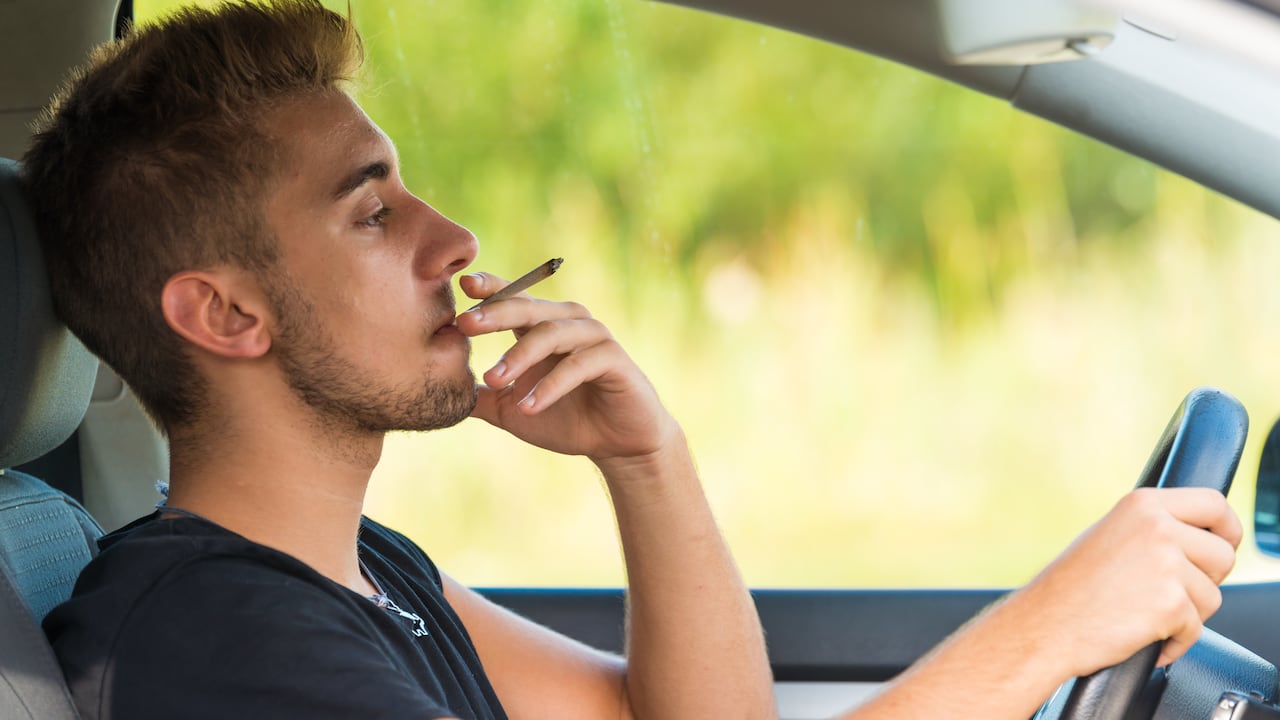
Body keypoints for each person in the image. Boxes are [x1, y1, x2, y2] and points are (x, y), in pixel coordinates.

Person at [20, 1, 1239, 719]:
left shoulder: (359, 574)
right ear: (227, 317)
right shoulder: (222, 642)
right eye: (373, 212)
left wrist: (645, 461)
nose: (456, 241)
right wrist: (1046, 632)